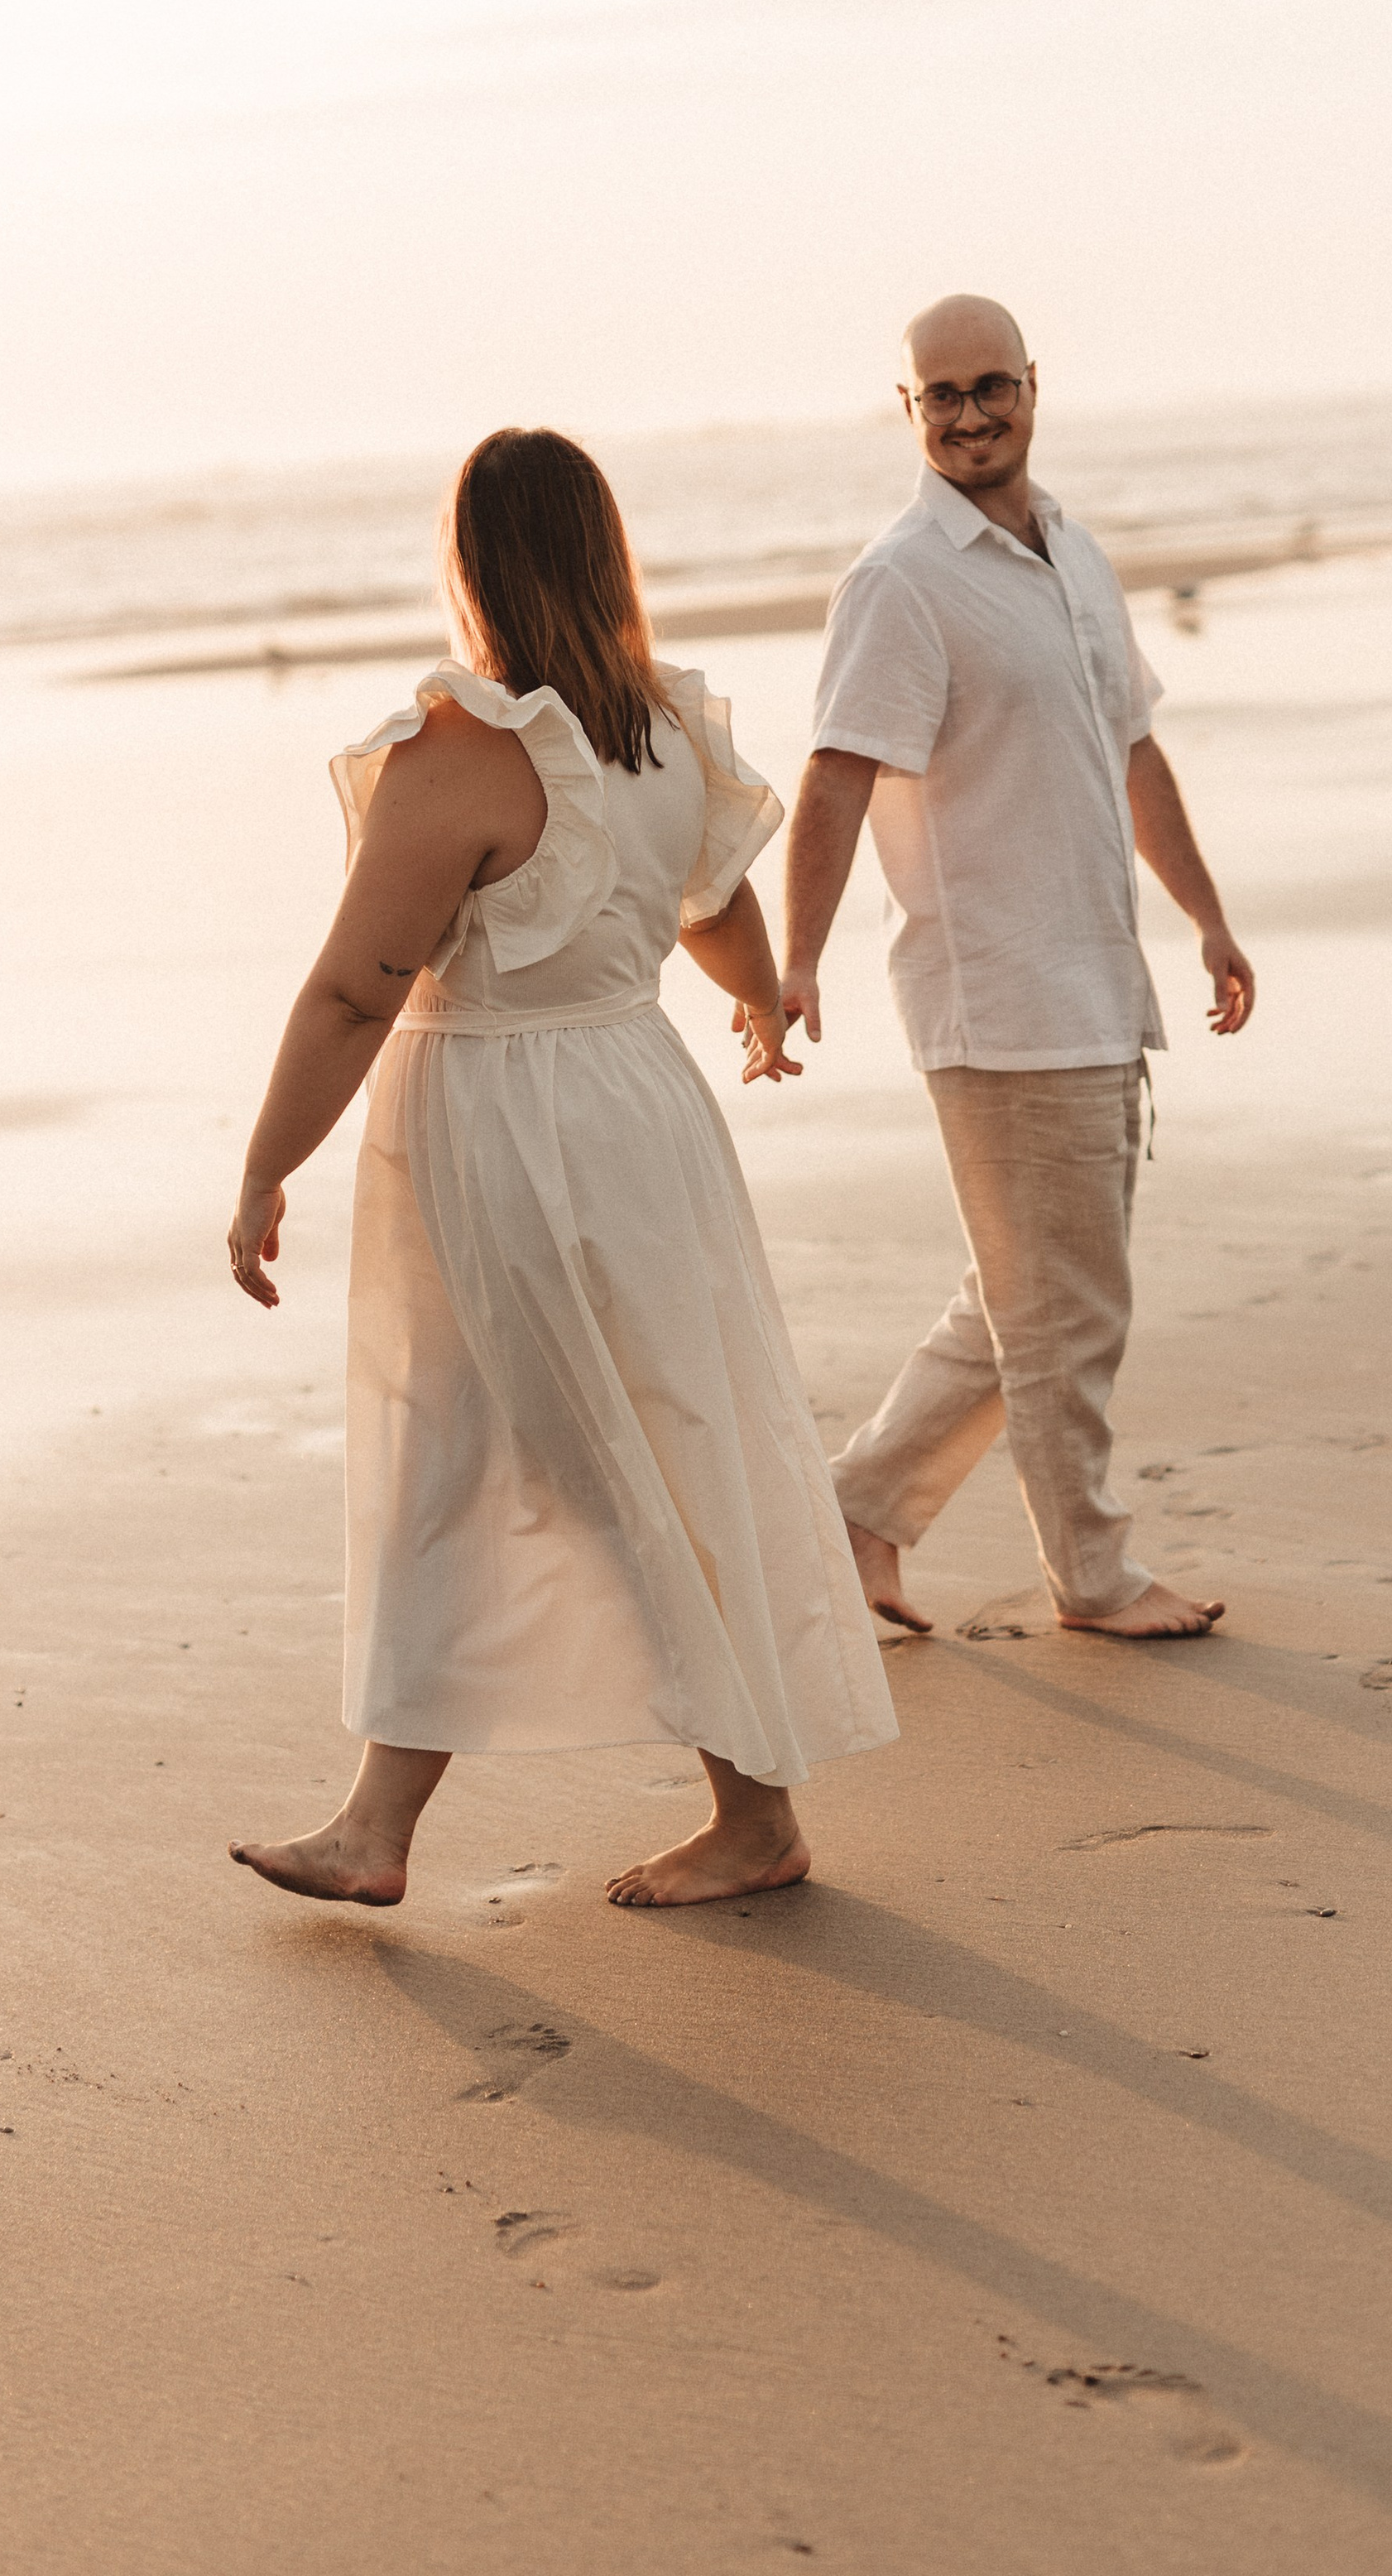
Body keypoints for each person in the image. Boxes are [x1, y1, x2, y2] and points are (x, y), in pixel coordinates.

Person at [226, 428, 896, 1912]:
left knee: (604, 1457)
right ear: (604, 551)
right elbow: (707, 900)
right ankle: (377, 1824)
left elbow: (357, 989)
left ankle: (756, 1812)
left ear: (469, 564)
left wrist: (267, 1163)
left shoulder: (461, 752)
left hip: (510, 1121)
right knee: (480, 1448)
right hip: (636, 1103)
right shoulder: (660, 724)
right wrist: (762, 992)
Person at [778, 296, 1255, 1641]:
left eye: (994, 387)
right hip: (997, 997)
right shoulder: (900, 581)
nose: (973, 414)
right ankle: (1092, 1576)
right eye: (945, 397)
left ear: (1035, 388)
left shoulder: (1076, 555)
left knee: (1027, 1291)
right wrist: (796, 960)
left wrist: (1207, 919)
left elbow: (1135, 751)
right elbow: (837, 772)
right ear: (910, 409)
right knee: (1068, 1308)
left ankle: (859, 1514)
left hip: (1098, 980)